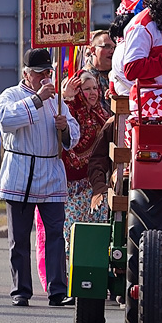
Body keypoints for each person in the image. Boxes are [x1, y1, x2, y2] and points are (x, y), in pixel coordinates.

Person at [0, 48, 80, 307]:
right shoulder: (11, 95)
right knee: (19, 238)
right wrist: (36, 101)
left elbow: (72, 134)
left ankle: (57, 290)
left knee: (56, 234)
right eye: (40, 73)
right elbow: (6, 121)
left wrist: (65, 128)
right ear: (26, 74)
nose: (45, 78)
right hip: (21, 174)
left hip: (51, 173)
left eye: (48, 72)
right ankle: (20, 290)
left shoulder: (57, 100)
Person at [61, 71, 111, 248]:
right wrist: (67, 97)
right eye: (87, 89)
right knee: (72, 231)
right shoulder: (70, 111)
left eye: (95, 88)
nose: (93, 93)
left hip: (93, 182)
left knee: (94, 232)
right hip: (71, 184)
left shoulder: (101, 114)